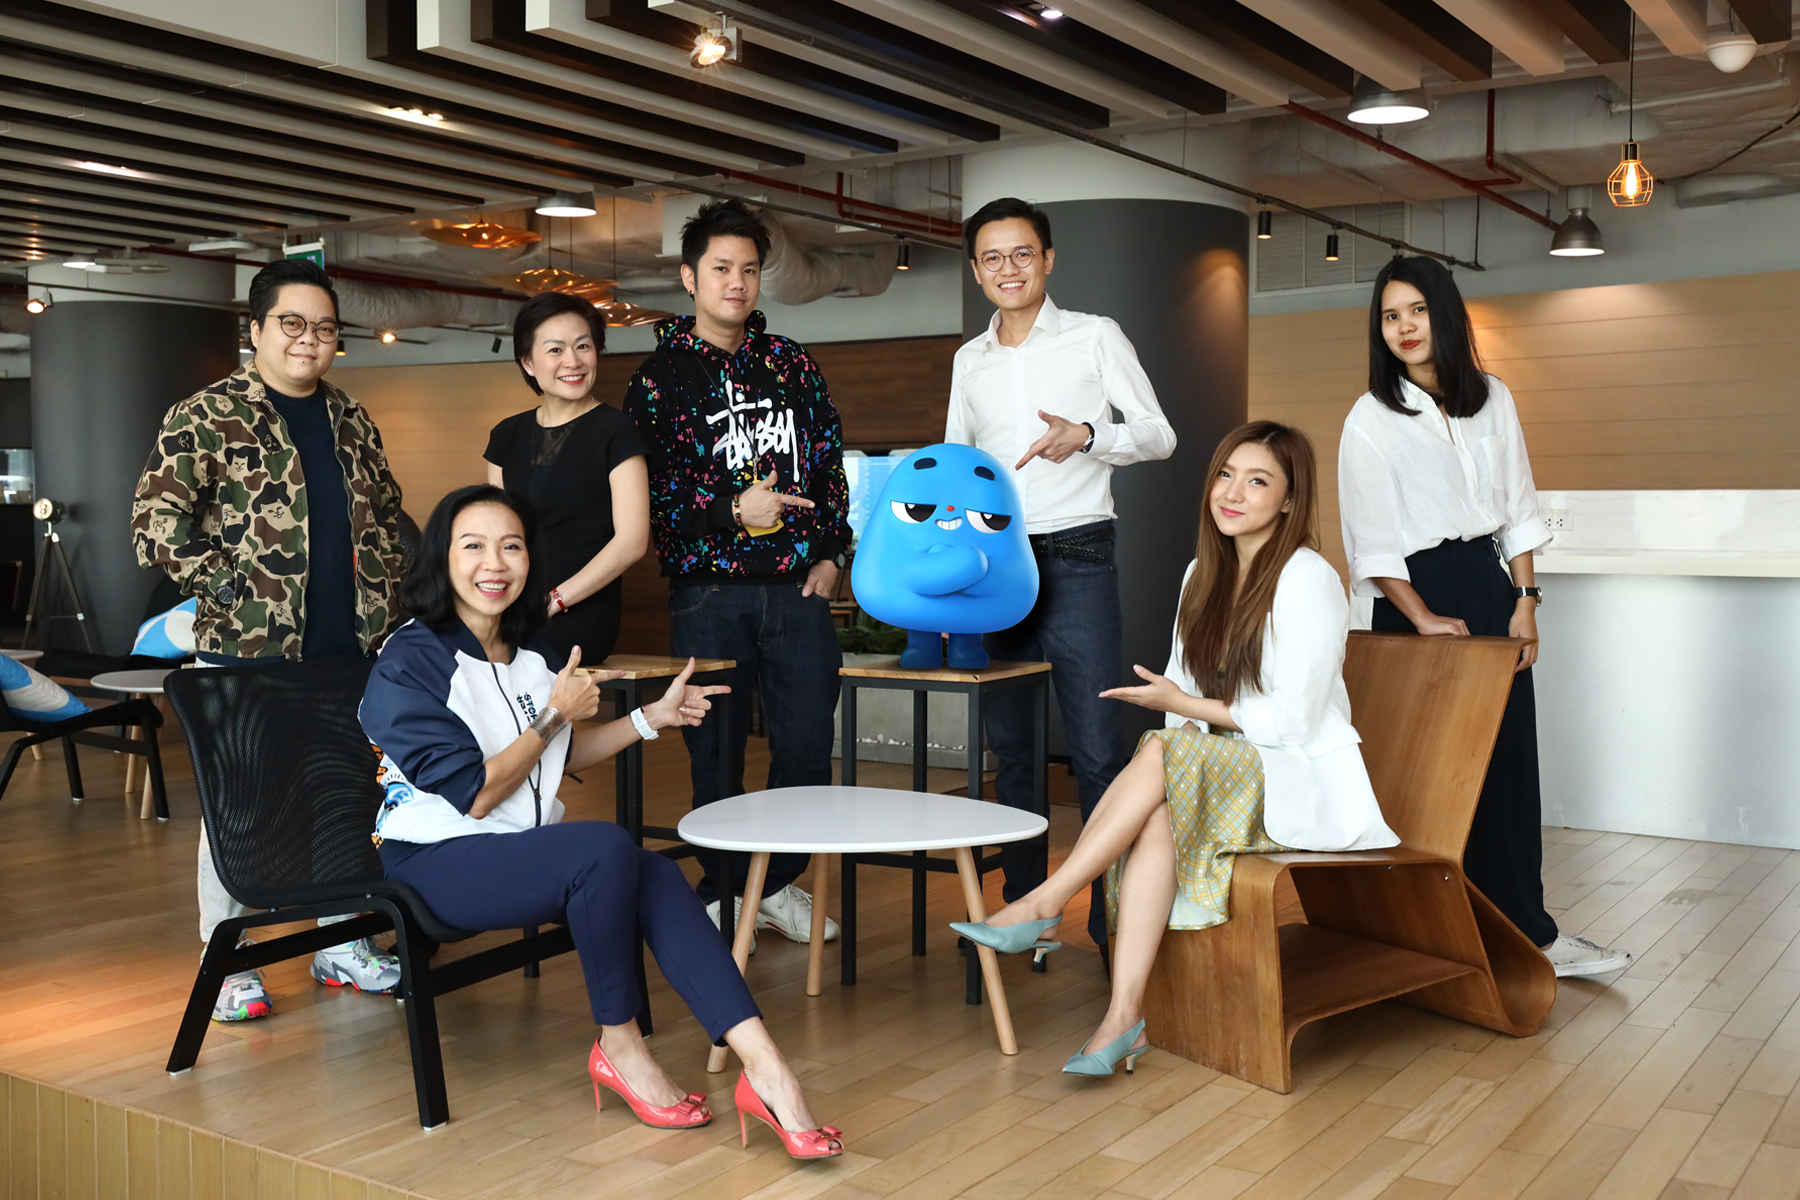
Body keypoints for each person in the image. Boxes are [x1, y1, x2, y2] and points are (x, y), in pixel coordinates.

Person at [359, 485, 840, 1158]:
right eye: (473, 547)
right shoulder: (409, 660)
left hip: (516, 852)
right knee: (604, 847)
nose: (494, 563)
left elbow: (553, 756)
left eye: (511, 546)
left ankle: (767, 1070)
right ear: (441, 559)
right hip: (433, 864)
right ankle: (620, 1043)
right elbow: (477, 794)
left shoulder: (531, 653)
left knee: (654, 874)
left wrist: (651, 718)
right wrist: (555, 713)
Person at [953, 422, 1397, 1074]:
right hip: (1222, 768)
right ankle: (1123, 1018)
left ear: (1290, 500)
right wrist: (1183, 713)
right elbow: (1182, 689)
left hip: (1297, 777)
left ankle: (1048, 902)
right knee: (1160, 796)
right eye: (1226, 475)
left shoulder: (1309, 578)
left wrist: (1184, 711)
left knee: (1163, 748)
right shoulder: (1202, 573)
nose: (1233, 493)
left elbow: (1295, 720)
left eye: (1258, 481)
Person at [132, 258, 408, 1022]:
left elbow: (388, 516)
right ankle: (224, 959)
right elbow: (154, 523)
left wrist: (391, 596)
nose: (308, 339)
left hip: (349, 652)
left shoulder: (351, 418)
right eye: (291, 323)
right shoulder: (207, 414)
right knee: (243, 806)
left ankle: (341, 942)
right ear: (255, 330)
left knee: (343, 798)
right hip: (246, 654)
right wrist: (232, 593)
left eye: (324, 327)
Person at [1337, 256, 1629, 979]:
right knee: (1431, 775)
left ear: (1446, 314)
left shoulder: (1493, 397)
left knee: (1507, 766)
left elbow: (1518, 507)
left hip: (1491, 590)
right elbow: (1371, 541)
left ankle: (1531, 935)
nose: (1404, 327)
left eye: (1417, 310)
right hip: (1415, 600)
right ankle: (1437, 936)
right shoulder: (1370, 417)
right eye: (1390, 316)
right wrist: (1423, 617)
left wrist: (1526, 601)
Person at [945, 196, 1176, 947]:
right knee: (1013, 751)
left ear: (1047, 259)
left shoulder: (1094, 335)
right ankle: (1026, 913)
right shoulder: (970, 361)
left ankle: (1114, 928)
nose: (1008, 268)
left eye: (1022, 253)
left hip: (1079, 553)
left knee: (1098, 751)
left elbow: (1160, 435)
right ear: (977, 270)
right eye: (992, 257)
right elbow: (957, 467)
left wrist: (1088, 436)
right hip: (998, 565)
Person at [623, 198, 850, 948]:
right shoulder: (658, 379)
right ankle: (723, 894)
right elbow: (650, 499)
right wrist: (730, 510)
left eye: (749, 270)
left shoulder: (792, 362)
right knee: (714, 755)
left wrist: (832, 553)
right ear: (690, 278)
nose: (737, 283)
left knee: (806, 750)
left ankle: (773, 886)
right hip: (709, 595)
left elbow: (829, 464)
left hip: (798, 589)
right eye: (721, 268)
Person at [485, 291, 649, 662]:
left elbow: (632, 542)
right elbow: (495, 533)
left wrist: (553, 601)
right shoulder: (506, 435)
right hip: (514, 603)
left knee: (512, 658)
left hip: (578, 612)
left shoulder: (617, 432)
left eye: (583, 346)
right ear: (528, 362)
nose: (573, 361)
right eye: (556, 349)